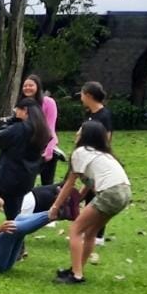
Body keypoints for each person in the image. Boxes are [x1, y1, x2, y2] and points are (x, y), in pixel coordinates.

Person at [48, 121, 131, 284]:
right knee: (91, 231)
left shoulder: (81, 152)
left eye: (80, 131)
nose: (76, 133)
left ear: (86, 136)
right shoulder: (103, 154)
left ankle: (76, 275)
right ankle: (76, 269)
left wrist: (55, 207)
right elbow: (90, 181)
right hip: (124, 192)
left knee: (75, 229)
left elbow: (69, 183)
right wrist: (78, 198)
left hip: (110, 192)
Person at [0, 97, 52, 219]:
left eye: (17, 110)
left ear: (25, 110)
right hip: (27, 176)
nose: (15, 113)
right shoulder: (42, 130)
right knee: (16, 208)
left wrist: (9, 122)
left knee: (11, 213)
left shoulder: (19, 128)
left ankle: (15, 230)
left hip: (10, 176)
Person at [77, 80, 113, 245]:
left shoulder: (104, 115)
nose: (81, 98)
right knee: (89, 194)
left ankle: (98, 235)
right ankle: (89, 231)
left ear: (89, 95)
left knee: (96, 194)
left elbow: (107, 139)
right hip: (87, 157)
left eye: (82, 94)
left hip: (97, 159)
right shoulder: (90, 114)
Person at [20, 74, 59, 185]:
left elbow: (51, 127)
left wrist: (49, 148)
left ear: (38, 86)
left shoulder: (48, 102)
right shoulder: (22, 105)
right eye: (25, 86)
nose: (27, 88)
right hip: (28, 148)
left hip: (46, 146)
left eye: (31, 85)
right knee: (25, 181)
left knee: (47, 182)